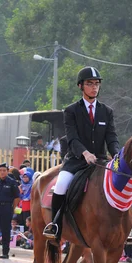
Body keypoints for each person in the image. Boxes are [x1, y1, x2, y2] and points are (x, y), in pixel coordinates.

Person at [43, 66, 120, 239]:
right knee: (61, 184)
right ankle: (55, 225)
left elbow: (112, 138)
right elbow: (72, 138)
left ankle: (124, 228)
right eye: (90, 83)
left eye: (97, 84)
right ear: (80, 86)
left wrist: (117, 154)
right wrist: (85, 153)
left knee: (119, 185)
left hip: (100, 161)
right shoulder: (71, 111)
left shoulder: (106, 112)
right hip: (77, 160)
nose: (94, 87)